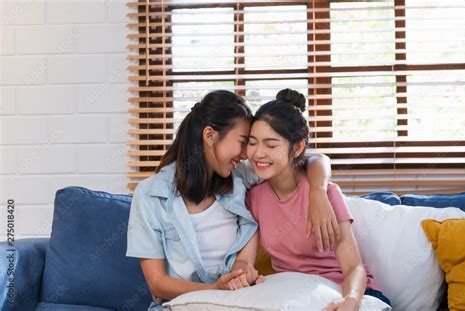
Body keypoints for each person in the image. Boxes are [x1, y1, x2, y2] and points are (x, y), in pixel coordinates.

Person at [126, 90, 338, 311]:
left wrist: (318, 191)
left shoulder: (240, 176)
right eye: (243, 142)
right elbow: (157, 284)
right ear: (210, 136)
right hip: (180, 305)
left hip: (234, 302)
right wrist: (215, 290)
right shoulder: (150, 195)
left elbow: (313, 159)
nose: (247, 154)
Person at [245, 89, 391, 310]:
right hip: (297, 296)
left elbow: (354, 267)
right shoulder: (254, 197)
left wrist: (351, 299)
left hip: (350, 292)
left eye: (271, 145)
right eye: (252, 142)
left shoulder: (326, 193)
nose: (258, 153)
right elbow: (245, 260)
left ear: (298, 148)